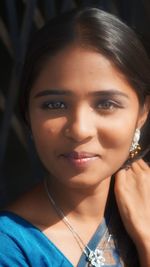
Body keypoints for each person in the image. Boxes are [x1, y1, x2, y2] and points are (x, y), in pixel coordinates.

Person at [0, 7, 150, 267]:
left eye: (106, 103)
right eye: (55, 105)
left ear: (142, 113)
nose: (80, 129)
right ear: (28, 114)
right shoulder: (11, 249)